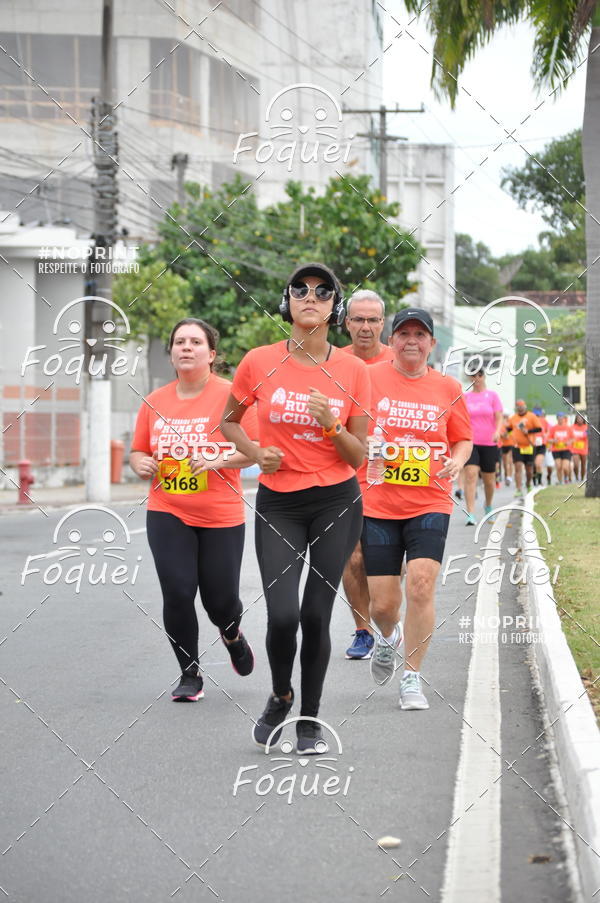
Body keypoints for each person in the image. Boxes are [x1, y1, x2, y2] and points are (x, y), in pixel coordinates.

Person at [220, 263, 370, 754]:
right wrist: (255, 451)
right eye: (300, 290)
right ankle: (281, 695)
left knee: (315, 615)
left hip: (336, 502)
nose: (311, 297)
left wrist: (331, 425)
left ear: (334, 308)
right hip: (279, 503)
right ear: (287, 301)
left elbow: (358, 454)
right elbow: (229, 421)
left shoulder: (353, 371)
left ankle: (309, 719)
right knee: (282, 615)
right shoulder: (258, 361)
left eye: (323, 292)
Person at [130, 318, 258, 702]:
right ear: (171, 353)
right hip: (168, 509)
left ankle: (232, 634)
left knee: (220, 602)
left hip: (220, 513)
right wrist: (139, 464)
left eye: (195, 342)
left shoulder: (231, 397)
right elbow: (138, 450)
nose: (186, 347)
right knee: (178, 591)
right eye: (179, 342)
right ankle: (190, 674)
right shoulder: (155, 401)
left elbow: (253, 450)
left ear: (212, 354)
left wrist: (217, 461)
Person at [362, 308, 472, 710]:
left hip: (430, 499)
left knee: (422, 583)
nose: (412, 340)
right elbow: (345, 424)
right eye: (404, 333)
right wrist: (363, 445)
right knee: (383, 605)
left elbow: (462, 438)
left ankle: (412, 678)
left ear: (432, 343)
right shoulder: (368, 378)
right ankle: (389, 639)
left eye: (420, 334)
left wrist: (458, 461)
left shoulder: (447, 387)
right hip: (378, 501)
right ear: (391, 340)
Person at [341, 289, 394, 661]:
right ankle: (363, 631)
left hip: (393, 478)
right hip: (344, 475)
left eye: (372, 320)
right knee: (353, 557)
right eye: (358, 319)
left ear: (383, 324)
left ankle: (387, 618)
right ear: (346, 323)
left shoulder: (399, 360)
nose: (365, 327)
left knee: (389, 563)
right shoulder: (332, 362)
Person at [463, 369, 503, 525]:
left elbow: (499, 418)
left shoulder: (492, 396)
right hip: (470, 442)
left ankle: (488, 505)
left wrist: (498, 431)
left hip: (489, 442)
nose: (477, 378)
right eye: (473, 375)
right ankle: (471, 513)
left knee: (489, 480)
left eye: (479, 375)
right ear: (469, 378)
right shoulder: (465, 397)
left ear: (484, 376)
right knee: (471, 475)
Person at [506, 400, 542, 497]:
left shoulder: (531, 416)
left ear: (525, 407)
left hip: (529, 446)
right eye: (518, 407)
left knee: (529, 469)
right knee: (518, 467)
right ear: (516, 408)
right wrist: (506, 433)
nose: (520, 408)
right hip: (517, 446)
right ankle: (518, 489)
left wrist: (528, 431)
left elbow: (539, 428)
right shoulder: (513, 418)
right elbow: (508, 429)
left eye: (522, 407)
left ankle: (528, 484)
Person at [548, 412, 574, 484]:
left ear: (564, 419)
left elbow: (573, 438)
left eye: (562, 418)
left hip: (566, 449)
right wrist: (553, 440)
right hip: (556, 450)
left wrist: (569, 442)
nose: (560, 420)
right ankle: (560, 482)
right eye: (559, 418)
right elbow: (549, 439)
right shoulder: (553, 428)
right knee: (558, 467)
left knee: (565, 467)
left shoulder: (568, 428)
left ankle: (566, 478)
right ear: (557, 419)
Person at [531, 406, 548, 486]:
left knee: (538, 463)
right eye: (535, 415)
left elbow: (548, 431)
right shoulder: (530, 421)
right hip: (532, 445)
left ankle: (540, 481)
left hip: (541, 445)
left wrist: (545, 436)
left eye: (538, 415)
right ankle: (534, 482)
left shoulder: (544, 421)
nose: (537, 416)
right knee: (533, 465)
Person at [571, 412, 588, 481]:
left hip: (584, 449)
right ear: (576, 419)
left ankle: (582, 478)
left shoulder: (586, 427)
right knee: (576, 465)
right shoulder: (572, 427)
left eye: (581, 418)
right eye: (578, 418)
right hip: (575, 449)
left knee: (583, 465)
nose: (580, 420)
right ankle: (576, 477)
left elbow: (586, 436)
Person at [499, 414, 514, 486]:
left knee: (509, 461)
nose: (505, 418)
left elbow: (508, 435)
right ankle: (506, 476)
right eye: (504, 417)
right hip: (503, 445)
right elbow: (501, 434)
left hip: (510, 444)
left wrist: (505, 434)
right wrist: (503, 435)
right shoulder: (500, 425)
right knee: (505, 463)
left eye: (506, 417)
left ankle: (509, 476)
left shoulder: (510, 424)